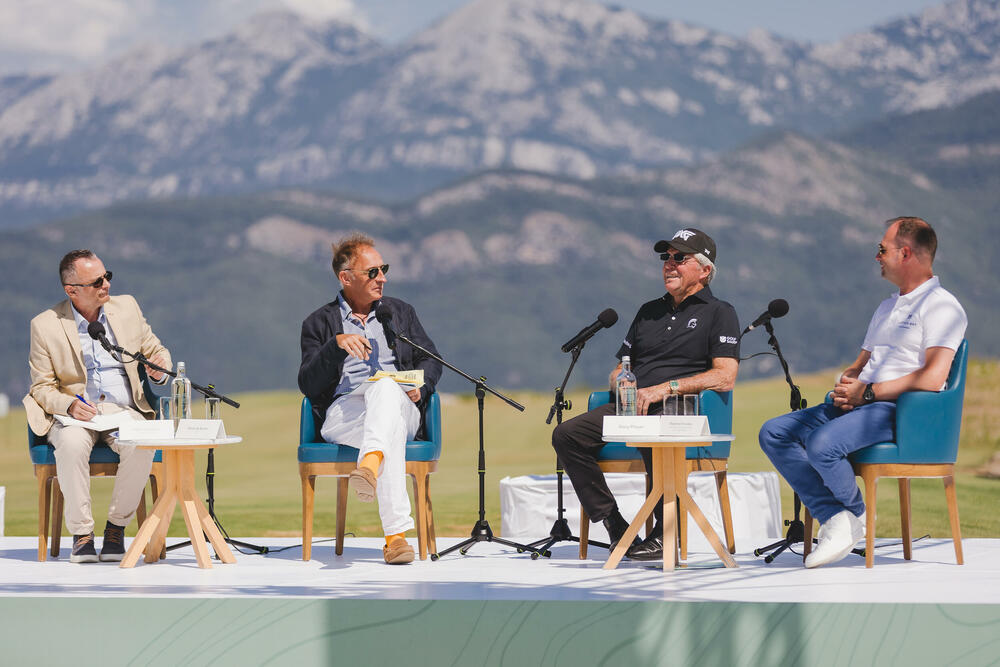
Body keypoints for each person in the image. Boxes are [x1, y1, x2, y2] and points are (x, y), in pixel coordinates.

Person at [759, 217, 967, 568]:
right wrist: (846, 385)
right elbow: (859, 365)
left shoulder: (943, 306)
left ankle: (851, 514)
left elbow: (933, 379)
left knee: (823, 444)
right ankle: (840, 518)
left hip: (899, 410)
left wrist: (867, 393)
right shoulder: (887, 307)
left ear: (905, 253)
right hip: (861, 402)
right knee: (774, 433)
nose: (877, 257)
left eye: (882, 250)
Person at [552, 228, 740, 561]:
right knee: (567, 435)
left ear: (705, 270)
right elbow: (620, 367)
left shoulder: (720, 312)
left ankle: (665, 532)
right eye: (666, 258)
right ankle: (615, 525)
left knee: (657, 426)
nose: (669, 265)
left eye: (679, 258)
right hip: (633, 405)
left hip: (682, 408)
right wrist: (621, 384)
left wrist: (663, 390)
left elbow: (725, 377)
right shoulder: (647, 311)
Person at [298, 233, 442, 564]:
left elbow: (431, 359)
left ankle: (370, 466)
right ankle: (394, 538)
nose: (383, 278)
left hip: (402, 405)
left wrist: (421, 386)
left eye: (383, 269)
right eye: (373, 272)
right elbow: (308, 384)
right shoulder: (318, 324)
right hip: (346, 414)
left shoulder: (400, 313)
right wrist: (334, 346)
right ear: (346, 278)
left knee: (384, 388)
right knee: (384, 426)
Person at [24, 250, 171, 563]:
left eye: (107, 276)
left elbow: (156, 350)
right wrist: (68, 405)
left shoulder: (127, 307)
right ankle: (82, 534)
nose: (106, 284)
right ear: (72, 290)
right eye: (96, 281)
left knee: (141, 442)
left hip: (124, 411)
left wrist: (159, 368)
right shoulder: (45, 325)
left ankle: (116, 529)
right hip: (76, 416)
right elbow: (41, 387)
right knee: (72, 444)